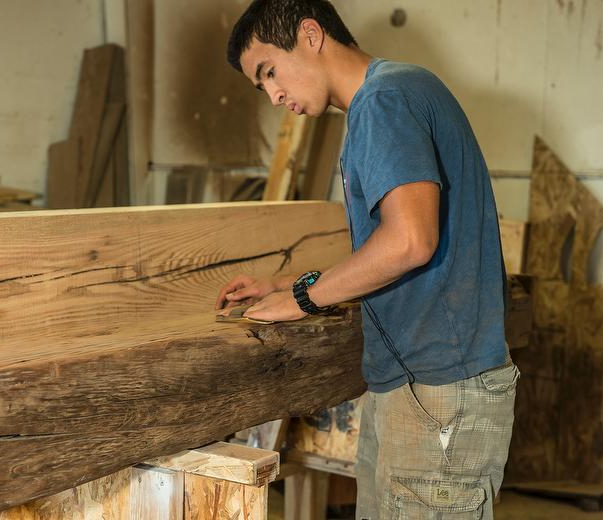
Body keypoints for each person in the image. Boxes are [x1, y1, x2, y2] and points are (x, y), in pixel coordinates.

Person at [216, 1, 519, 518]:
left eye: (269, 72)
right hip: (419, 386)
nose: (274, 95)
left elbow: (410, 242)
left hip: (439, 390)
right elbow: (386, 246)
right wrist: (287, 280)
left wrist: (301, 299)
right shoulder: (387, 97)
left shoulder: (385, 99)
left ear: (310, 35)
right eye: (261, 86)